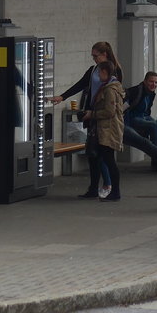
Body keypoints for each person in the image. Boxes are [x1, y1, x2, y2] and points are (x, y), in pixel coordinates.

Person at [52, 41, 124, 198]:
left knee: (106, 156)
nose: (94, 59)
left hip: (104, 119)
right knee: (93, 154)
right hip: (94, 116)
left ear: (105, 55)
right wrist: (63, 96)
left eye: (95, 56)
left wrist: (94, 113)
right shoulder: (94, 71)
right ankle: (94, 188)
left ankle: (112, 188)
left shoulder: (113, 76)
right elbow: (81, 84)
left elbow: (111, 106)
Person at [82, 60, 125, 202]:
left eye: (99, 72)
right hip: (105, 129)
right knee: (97, 159)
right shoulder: (108, 87)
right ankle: (94, 188)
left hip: (108, 129)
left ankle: (115, 192)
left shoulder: (109, 89)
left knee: (108, 159)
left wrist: (92, 114)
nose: (98, 75)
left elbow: (109, 111)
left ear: (105, 72)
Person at [124, 71, 157, 168]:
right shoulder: (136, 91)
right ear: (145, 81)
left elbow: (147, 110)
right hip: (133, 118)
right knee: (154, 126)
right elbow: (125, 108)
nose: (154, 84)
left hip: (143, 116)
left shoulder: (152, 93)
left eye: (156, 82)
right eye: (151, 81)